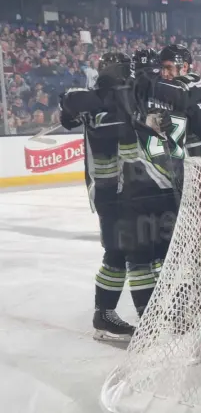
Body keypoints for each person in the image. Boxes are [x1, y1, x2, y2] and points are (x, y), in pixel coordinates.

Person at [60, 52, 136, 341]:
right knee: (118, 252)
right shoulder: (98, 100)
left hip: (119, 189)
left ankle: (104, 313)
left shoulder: (105, 100)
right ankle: (103, 313)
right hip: (110, 189)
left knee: (123, 251)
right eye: (126, 71)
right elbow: (70, 107)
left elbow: (69, 114)